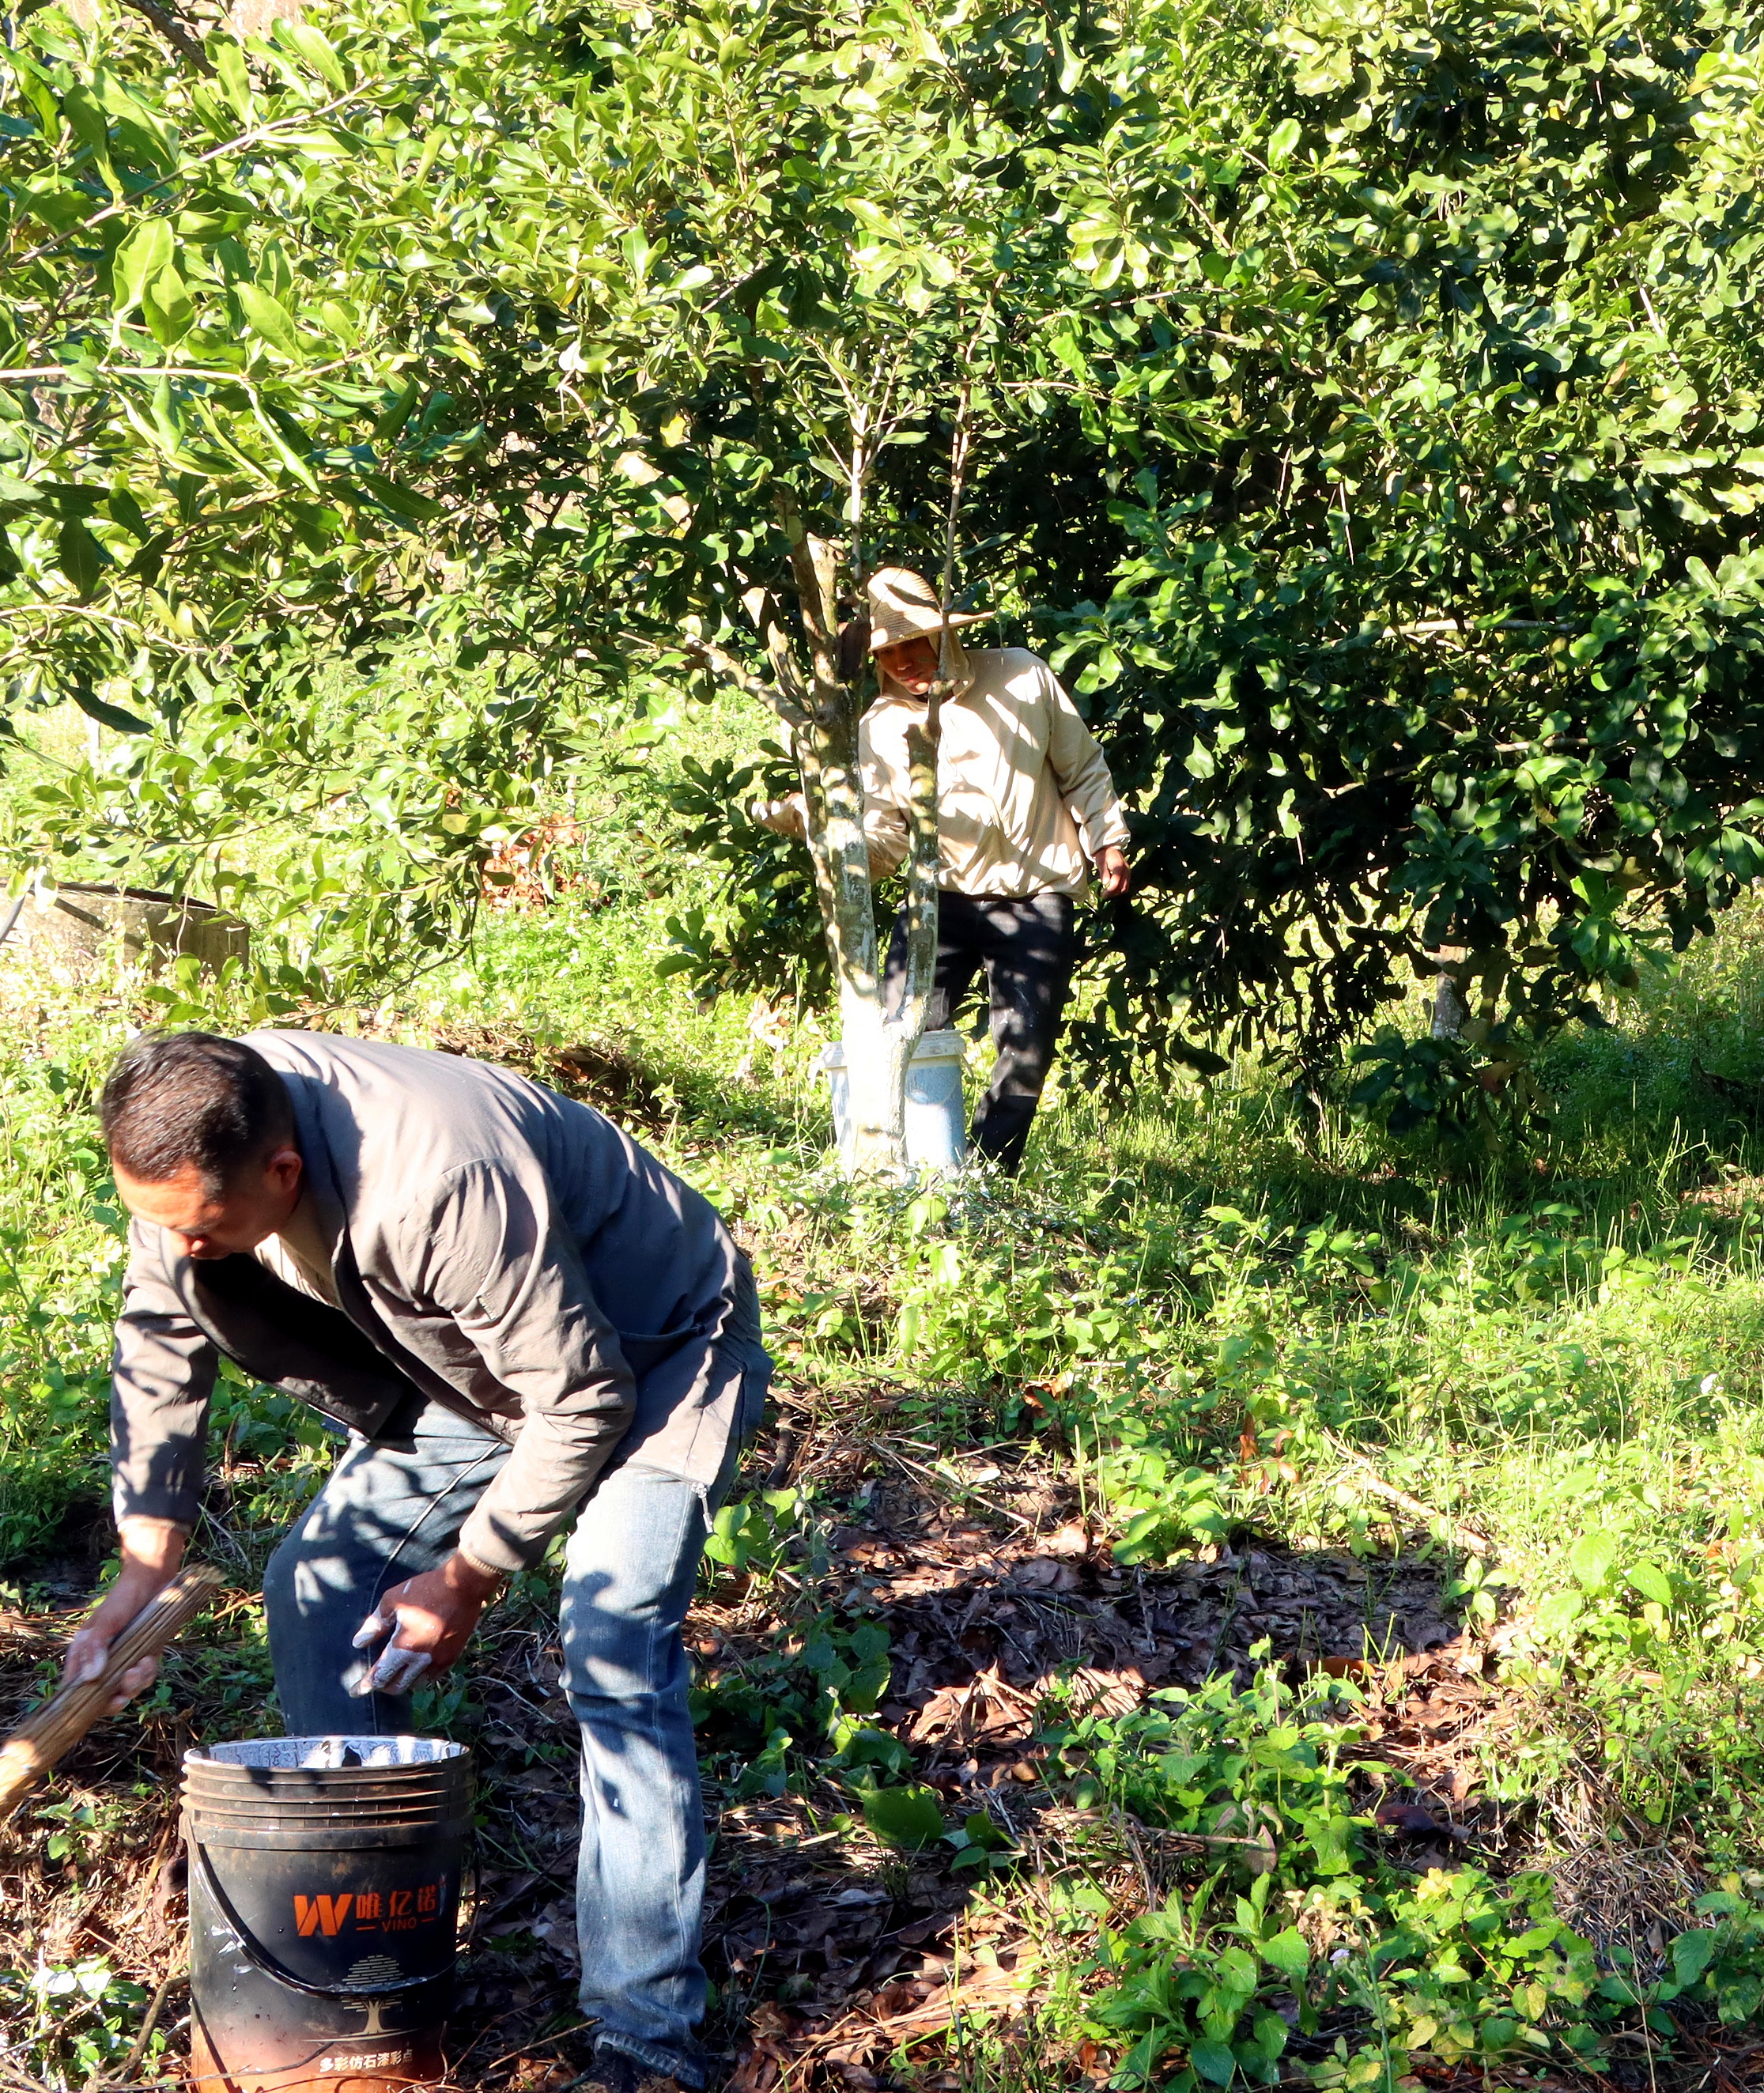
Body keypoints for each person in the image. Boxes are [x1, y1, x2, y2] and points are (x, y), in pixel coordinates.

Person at [60, 1030, 768, 2093]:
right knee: (317, 1599)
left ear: (281, 1173)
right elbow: (162, 1341)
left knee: (614, 1654)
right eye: (160, 1224)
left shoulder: (440, 1180)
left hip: (658, 1352)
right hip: (479, 1364)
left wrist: (466, 1576)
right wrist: (139, 1577)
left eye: (201, 1231)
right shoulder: (194, 1137)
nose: (183, 1249)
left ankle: (646, 2039)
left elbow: (582, 1399)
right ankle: (381, 1966)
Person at [754, 566, 1131, 1167]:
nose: (906, 661)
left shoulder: (1022, 677)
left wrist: (1108, 839)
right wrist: (824, 828)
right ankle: (905, 1167)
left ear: (946, 636)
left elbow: (1081, 766)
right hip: (941, 900)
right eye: (891, 651)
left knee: (1026, 1045)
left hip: (1037, 894)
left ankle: (984, 1172)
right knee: (903, 1030)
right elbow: (886, 843)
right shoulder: (882, 725)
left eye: (916, 643)